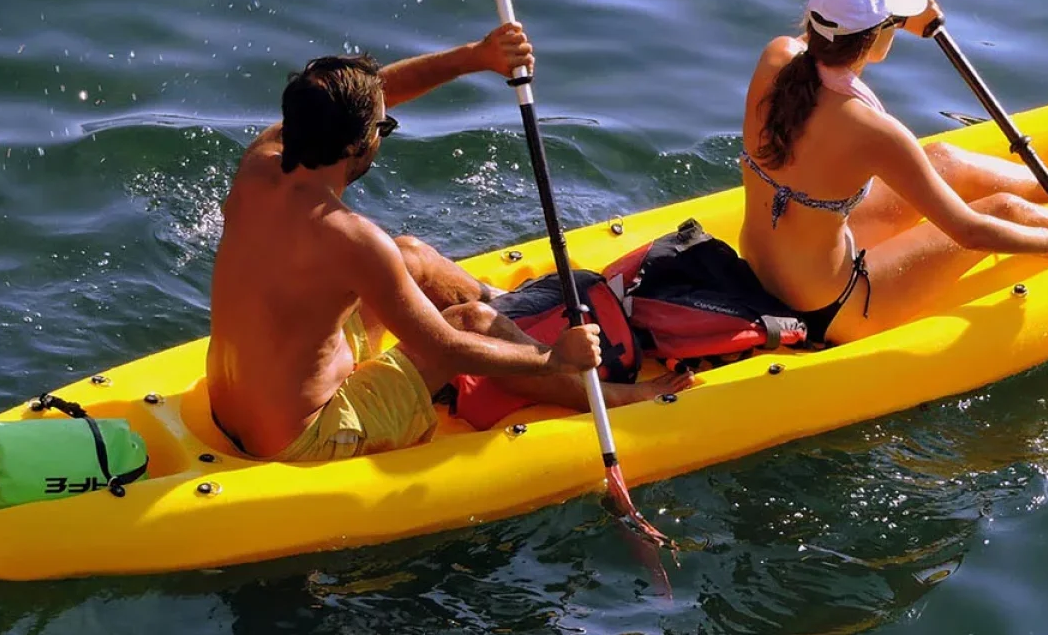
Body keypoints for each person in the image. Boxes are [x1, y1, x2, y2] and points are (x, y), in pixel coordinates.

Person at [207, 24, 689, 461]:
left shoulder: (261, 163)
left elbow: (375, 96)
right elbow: (448, 348)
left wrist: (475, 56)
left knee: (411, 254)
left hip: (232, 405)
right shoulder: (353, 240)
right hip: (305, 435)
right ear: (357, 145)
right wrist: (553, 358)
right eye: (383, 129)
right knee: (474, 322)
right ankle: (605, 394)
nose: (384, 131)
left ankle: (516, 313)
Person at [738, 0, 1048, 345]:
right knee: (1001, 209)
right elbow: (970, 232)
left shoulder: (777, 56)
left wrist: (897, 20)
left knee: (945, 160)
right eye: (892, 23)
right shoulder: (875, 132)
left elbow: (828, 67)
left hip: (763, 270)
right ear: (876, 34)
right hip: (832, 308)